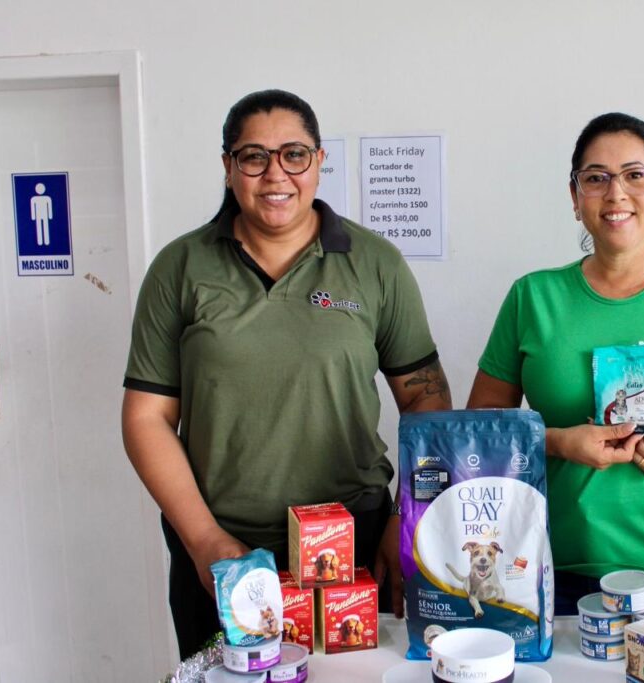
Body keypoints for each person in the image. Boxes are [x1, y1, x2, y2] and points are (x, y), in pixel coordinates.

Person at [122, 89, 451, 658]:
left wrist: (407, 522)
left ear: (319, 161)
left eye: (294, 154)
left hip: (352, 544)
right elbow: (146, 418)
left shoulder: (376, 264)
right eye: (254, 156)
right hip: (222, 551)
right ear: (228, 167)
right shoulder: (180, 267)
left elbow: (427, 402)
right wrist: (203, 540)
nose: (276, 173)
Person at [467, 112, 644, 619]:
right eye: (596, 177)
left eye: (635, 175)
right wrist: (558, 442)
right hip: (545, 564)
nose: (616, 193)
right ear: (575, 195)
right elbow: (478, 427)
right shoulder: (533, 297)